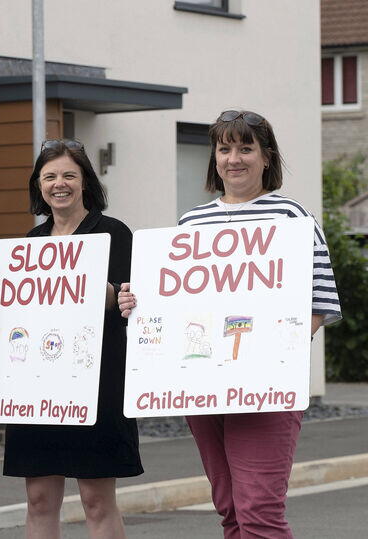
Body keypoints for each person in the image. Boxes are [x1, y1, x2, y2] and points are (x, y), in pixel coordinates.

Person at [118, 110, 342, 538]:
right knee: (231, 510)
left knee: (259, 509)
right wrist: (136, 302)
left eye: (245, 148)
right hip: (201, 386)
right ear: (214, 159)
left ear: (266, 157)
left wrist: (275, 352)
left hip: (266, 387)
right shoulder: (190, 223)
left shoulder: (292, 218)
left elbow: (321, 301)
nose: (233, 158)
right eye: (224, 149)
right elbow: (175, 304)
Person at [3, 139, 143, 539]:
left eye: (68, 175)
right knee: (39, 500)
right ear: (39, 185)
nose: (58, 184)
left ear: (85, 182)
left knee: (97, 500)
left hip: (97, 384)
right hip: (37, 386)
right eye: (49, 176)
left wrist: (111, 292)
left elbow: (128, 299)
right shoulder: (29, 244)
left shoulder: (114, 233)